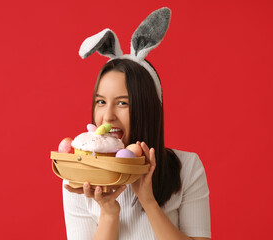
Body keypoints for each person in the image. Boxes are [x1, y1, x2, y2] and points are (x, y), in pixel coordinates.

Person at [62, 7, 211, 240]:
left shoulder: (187, 167)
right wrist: (109, 212)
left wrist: (148, 201)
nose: (107, 116)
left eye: (123, 103)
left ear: (147, 109)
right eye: (101, 101)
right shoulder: (78, 175)